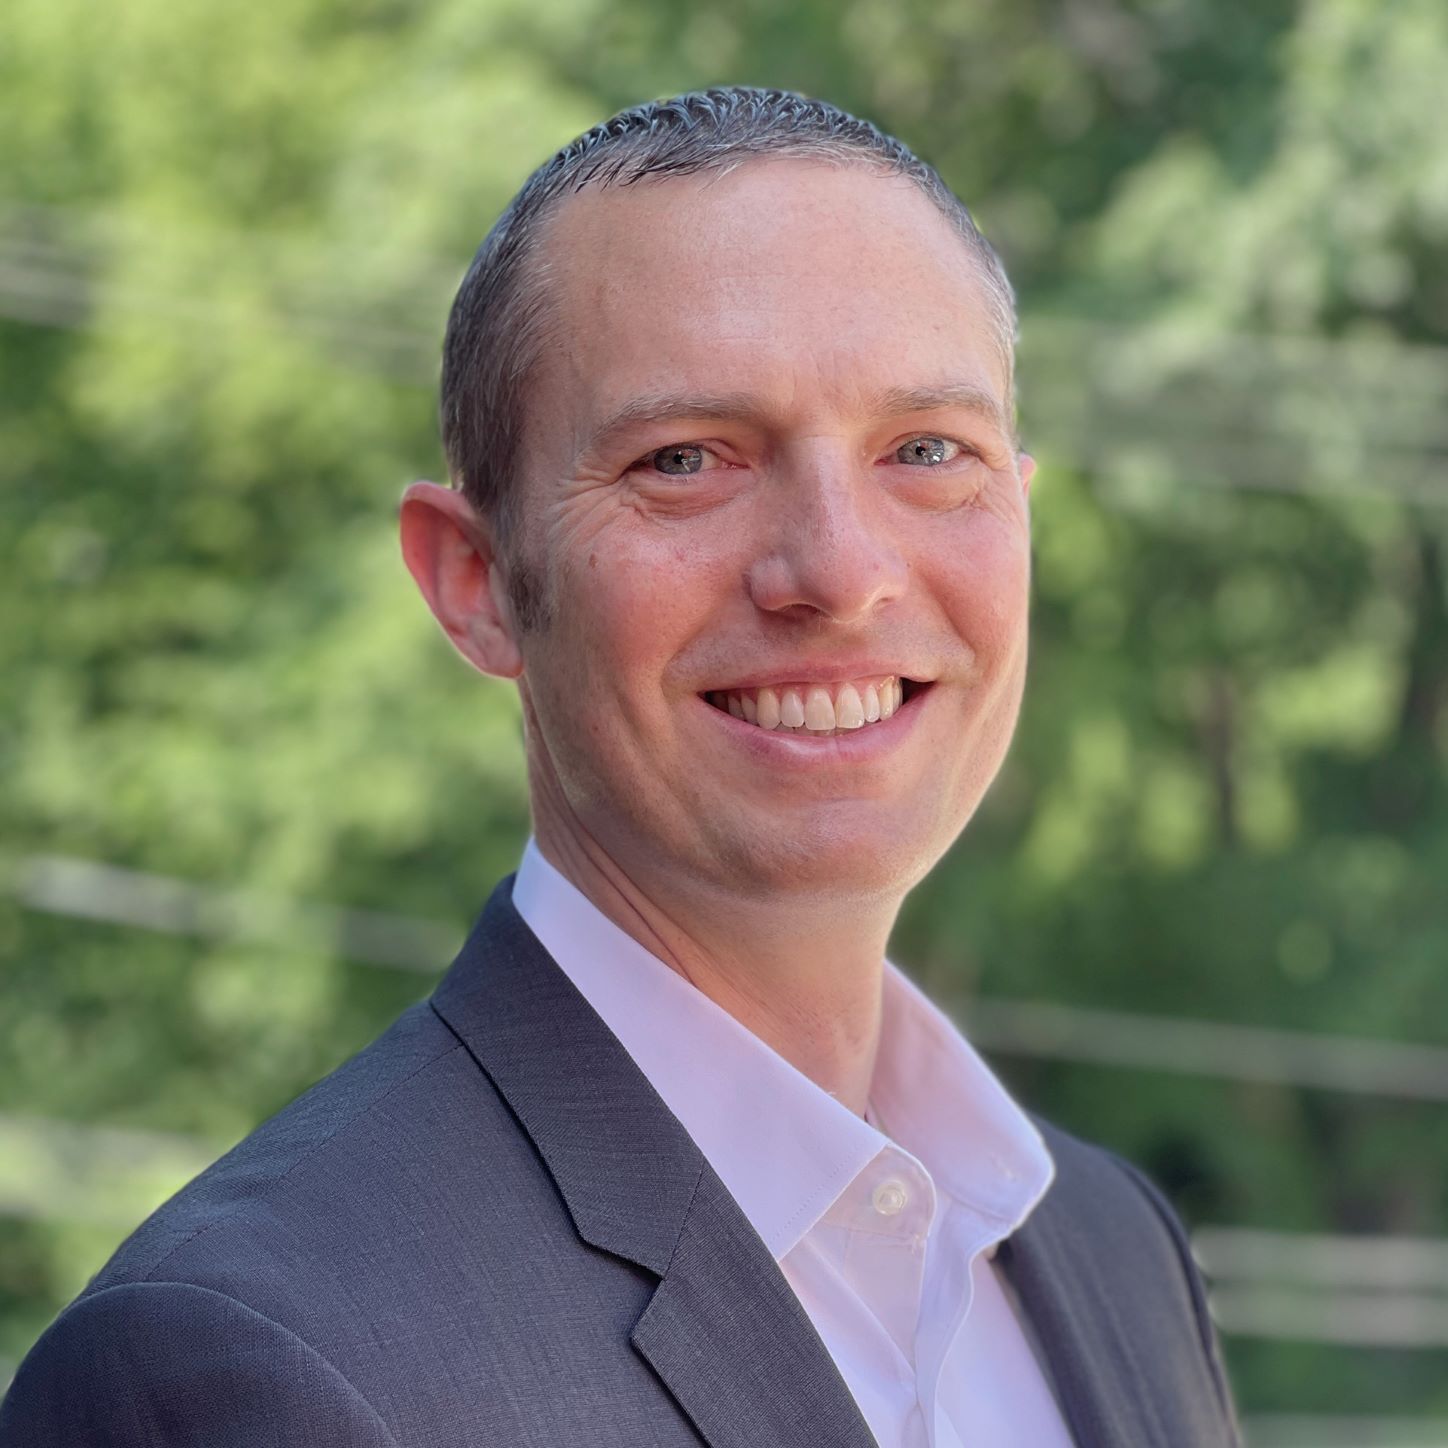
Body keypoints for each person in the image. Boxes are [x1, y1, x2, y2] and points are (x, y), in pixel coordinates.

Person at [0, 87, 1240, 1447]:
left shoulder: (1117, 1255)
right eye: (687, 460)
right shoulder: (238, 1365)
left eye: (928, 450)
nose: (836, 570)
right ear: (474, 580)